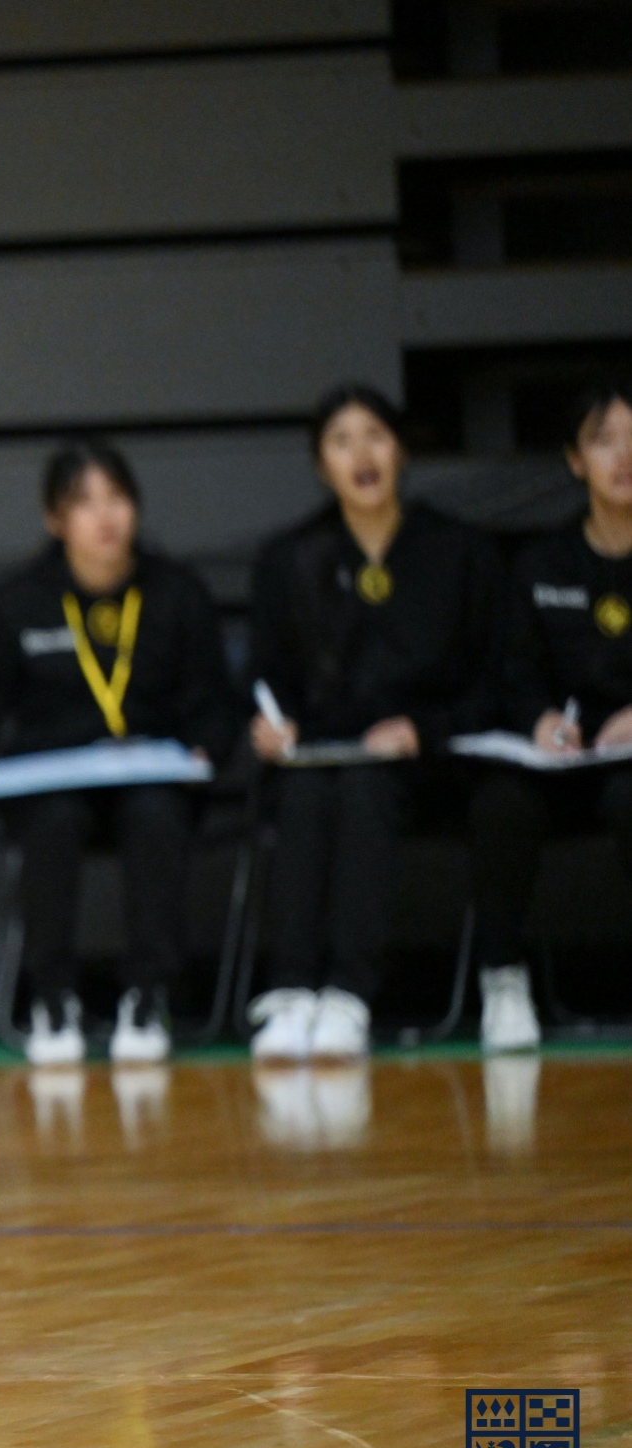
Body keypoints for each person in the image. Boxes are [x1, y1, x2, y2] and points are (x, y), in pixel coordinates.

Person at [0, 439, 238, 1065]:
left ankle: (147, 995)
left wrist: (210, 747)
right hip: (52, 780)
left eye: (116, 497)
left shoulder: (176, 592)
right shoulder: (21, 599)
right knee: (53, 821)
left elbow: (213, 700)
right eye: (84, 502)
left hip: (150, 774)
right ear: (55, 519)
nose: (105, 516)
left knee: (156, 815)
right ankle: (53, 998)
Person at [246, 384, 506, 1059]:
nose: (361, 454)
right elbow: (267, 677)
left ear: (401, 452)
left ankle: (348, 994)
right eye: (341, 441)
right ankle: (291, 991)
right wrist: (272, 726)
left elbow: (495, 683)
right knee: (304, 791)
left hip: (428, 760)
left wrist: (425, 730)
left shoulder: (460, 551)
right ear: (320, 465)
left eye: (375, 436)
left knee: (365, 788)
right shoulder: (289, 557)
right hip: (320, 756)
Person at [467, 375, 632, 1046]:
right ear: (574, 461)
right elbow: (512, 674)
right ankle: (503, 979)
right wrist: (538, 719)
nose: (624, 456)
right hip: (563, 761)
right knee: (500, 801)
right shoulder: (541, 562)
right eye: (604, 441)